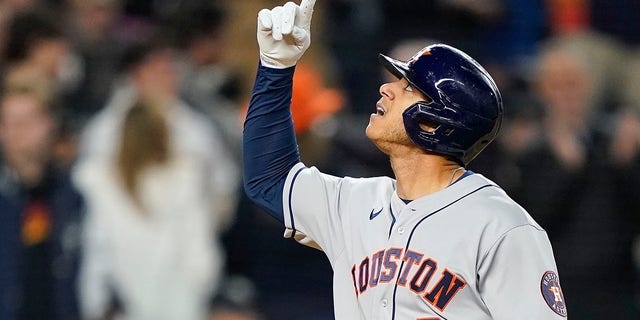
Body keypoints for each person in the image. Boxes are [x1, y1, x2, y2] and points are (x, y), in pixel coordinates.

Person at [242, 0, 567, 319]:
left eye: (408, 88)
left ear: (435, 122)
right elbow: (270, 180)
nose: (386, 89)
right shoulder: (353, 203)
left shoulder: (501, 226)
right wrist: (275, 69)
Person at [0, 79, 84, 320]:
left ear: (50, 124)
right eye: (8, 122)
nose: (17, 131)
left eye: (26, 121)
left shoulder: (78, 195)